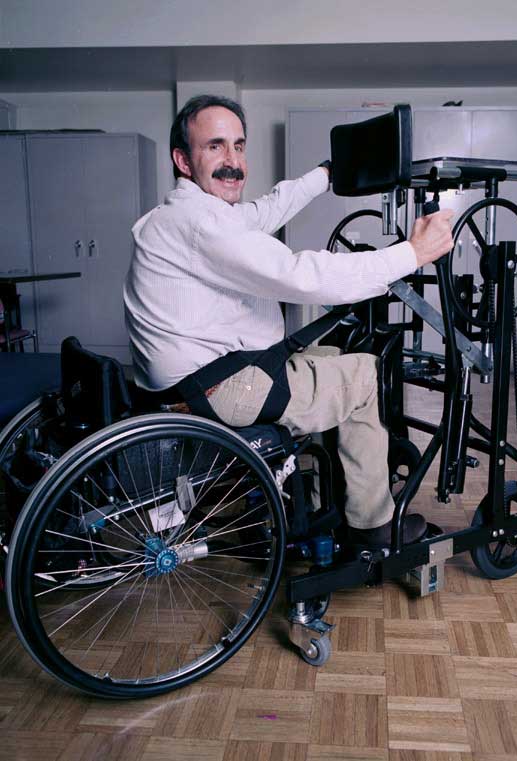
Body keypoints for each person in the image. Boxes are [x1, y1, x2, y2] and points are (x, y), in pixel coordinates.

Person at [124, 94, 454, 549]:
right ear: (183, 160)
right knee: (363, 375)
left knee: (332, 354)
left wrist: (325, 175)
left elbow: (263, 212)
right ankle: (372, 524)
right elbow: (300, 275)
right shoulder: (201, 224)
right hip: (222, 389)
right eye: (215, 146)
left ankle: (316, 501)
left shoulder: (187, 213)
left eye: (239, 146)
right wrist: (412, 254)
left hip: (201, 379)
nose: (232, 161)